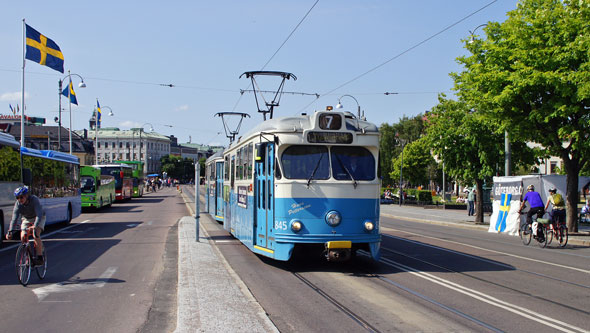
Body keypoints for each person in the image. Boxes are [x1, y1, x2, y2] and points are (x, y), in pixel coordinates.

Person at [5, 186, 46, 264]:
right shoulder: (18, 204)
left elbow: (39, 215)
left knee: (35, 234)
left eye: (21, 197)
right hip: (27, 218)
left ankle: (40, 258)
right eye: (17, 198)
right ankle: (29, 256)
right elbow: (14, 218)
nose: (20, 199)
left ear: (26, 195)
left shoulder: (34, 200)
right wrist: (10, 231)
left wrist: (35, 225)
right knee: (23, 236)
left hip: (38, 217)